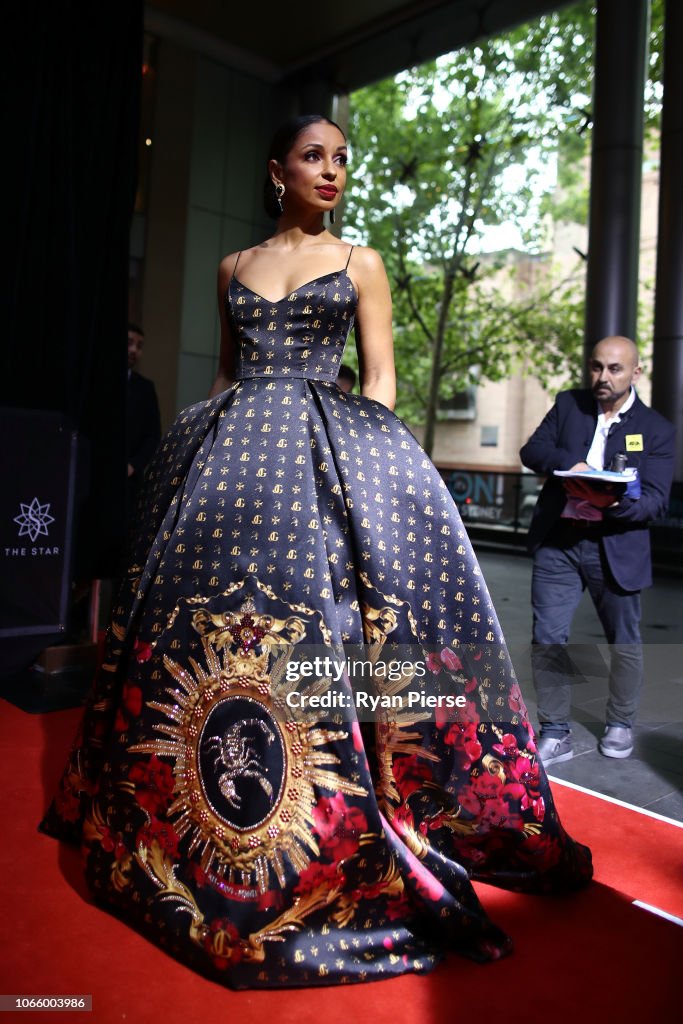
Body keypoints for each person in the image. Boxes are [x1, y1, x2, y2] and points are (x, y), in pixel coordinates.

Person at [42, 115, 591, 989]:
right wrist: (194, 458)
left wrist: (372, 478)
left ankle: (323, 801)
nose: (330, 171)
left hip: (322, 456)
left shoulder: (358, 262)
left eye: (341, 159)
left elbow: (378, 379)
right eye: (313, 157)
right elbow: (226, 376)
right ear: (276, 171)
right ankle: (192, 804)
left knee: (323, 629)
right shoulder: (232, 268)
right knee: (202, 633)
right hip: (229, 460)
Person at [520, 336, 675, 766]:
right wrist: (577, 467)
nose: (602, 378)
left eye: (614, 369)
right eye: (596, 367)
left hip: (617, 547)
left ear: (635, 372)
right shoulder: (570, 405)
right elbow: (532, 451)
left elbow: (657, 500)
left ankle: (621, 723)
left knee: (623, 642)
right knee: (548, 638)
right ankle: (554, 732)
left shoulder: (657, 429)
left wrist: (615, 500)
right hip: (561, 542)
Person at [126, 322, 162, 509]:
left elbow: (153, 434)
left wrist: (134, 465)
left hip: (130, 480)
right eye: (129, 343)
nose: (134, 350)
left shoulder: (145, 388)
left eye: (139, 346)